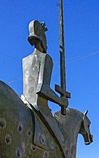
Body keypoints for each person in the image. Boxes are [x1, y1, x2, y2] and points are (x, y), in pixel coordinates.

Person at [22, 20, 68, 149]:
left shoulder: (25, 60)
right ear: (42, 38)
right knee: (61, 140)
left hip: (25, 102)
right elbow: (42, 88)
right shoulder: (46, 58)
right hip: (39, 107)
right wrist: (60, 101)